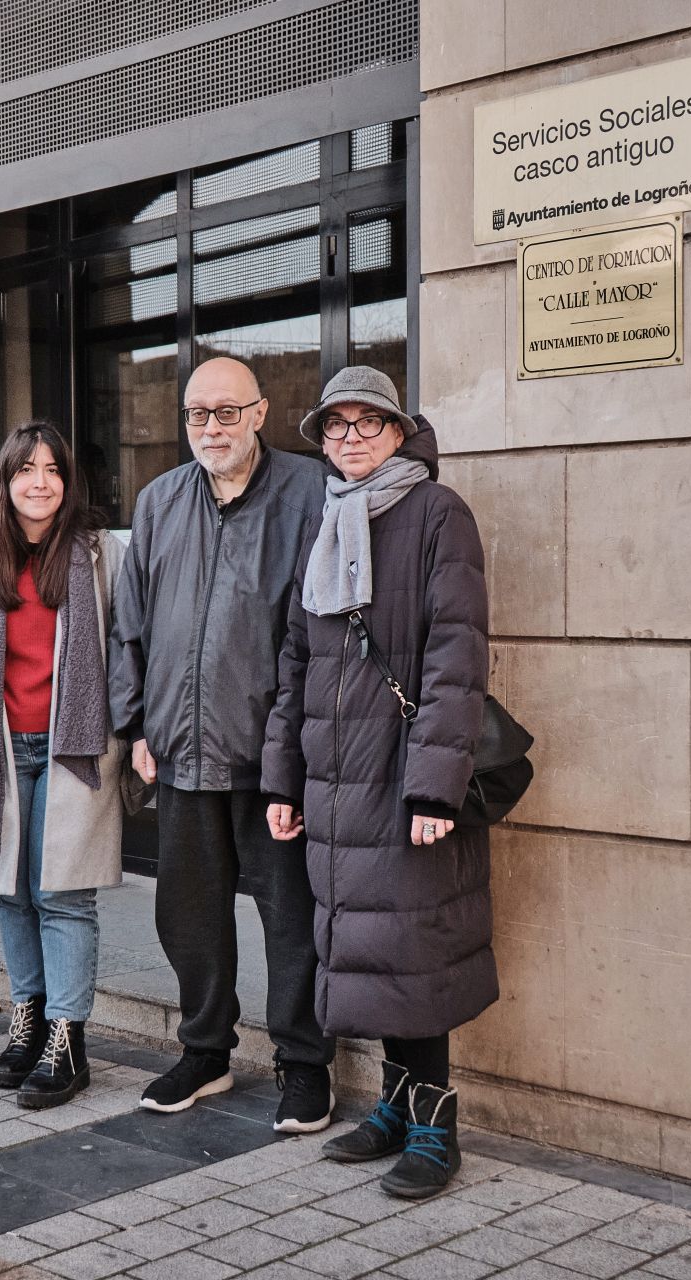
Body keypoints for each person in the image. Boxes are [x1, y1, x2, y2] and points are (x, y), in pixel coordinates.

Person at [262, 365, 499, 1199]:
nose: (351, 438)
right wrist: (281, 780)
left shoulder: (439, 514)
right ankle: (396, 1106)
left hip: (401, 777)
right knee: (372, 952)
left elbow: (457, 655)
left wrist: (434, 787)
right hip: (334, 781)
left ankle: (438, 1123)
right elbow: (295, 661)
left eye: (369, 423)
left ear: (401, 433)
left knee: (412, 949)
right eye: (336, 426)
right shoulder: (325, 520)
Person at [108, 356, 336, 1132]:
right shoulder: (160, 501)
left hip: (274, 758)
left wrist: (299, 752)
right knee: (190, 914)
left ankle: (305, 1066)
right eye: (198, 414)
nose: (212, 427)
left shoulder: (309, 493)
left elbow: (321, 634)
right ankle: (205, 1052)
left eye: (227, 412)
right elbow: (129, 626)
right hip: (179, 750)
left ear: (262, 412)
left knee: (291, 919)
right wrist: (134, 723)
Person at [0, 423, 126, 1109]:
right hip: (1, 750)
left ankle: (68, 1041)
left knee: (64, 894)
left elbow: (129, 646)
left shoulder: (100, 555)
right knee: (11, 890)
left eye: (52, 469)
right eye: (25, 469)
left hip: (75, 750)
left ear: (69, 482)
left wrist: (127, 735)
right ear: (5, 481)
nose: (39, 481)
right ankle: (29, 1017)